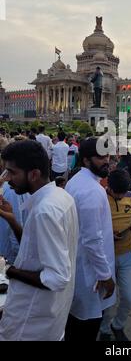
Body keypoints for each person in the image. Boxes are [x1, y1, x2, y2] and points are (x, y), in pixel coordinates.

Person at [0, 140, 78, 341]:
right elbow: (34, 249)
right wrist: (12, 220)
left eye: (12, 172)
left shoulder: (45, 211)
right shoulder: (59, 196)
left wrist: (12, 271)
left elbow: (58, 277)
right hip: (45, 319)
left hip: (30, 324)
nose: (7, 179)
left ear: (33, 174)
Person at [65, 138, 115, 342]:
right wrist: (106, 276)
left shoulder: (77, 181)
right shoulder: (92, 191)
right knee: (84, 328)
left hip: (80, 269)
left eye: (108, 156)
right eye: (100, 157)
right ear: (86, 160)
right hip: (90, 277)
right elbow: (92, 240)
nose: (107, 161)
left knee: (75, 325)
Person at [100, 170, 131, 341]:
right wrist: (107, 234)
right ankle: (104, 330)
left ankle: (118, 325)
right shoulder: (100, 198)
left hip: (128, 255)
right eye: (117, 193)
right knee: (108, 299)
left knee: (129, 296)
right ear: (108, 187)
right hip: (107, 257)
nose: (120, 196)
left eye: (123, 193)